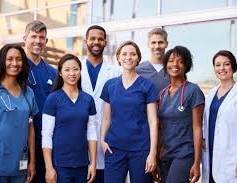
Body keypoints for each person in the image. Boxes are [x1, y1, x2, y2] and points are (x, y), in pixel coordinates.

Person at [100, 41, 158, 183]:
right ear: (118, 58)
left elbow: (153, 121)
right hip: (114, 148)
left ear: (138, 58)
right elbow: (106, 118)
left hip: (140, 150)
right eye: (124, 54)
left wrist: (152, 153)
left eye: (133, 54)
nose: (128, 57)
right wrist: (102, 140)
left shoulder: (147, 86)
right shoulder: (110, 85)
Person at [42, 54, 97, 183]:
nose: (72, 73)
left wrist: (93, 163)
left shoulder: (88, 99)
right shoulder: (53, 99)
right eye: (67, 70)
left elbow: (92, 133)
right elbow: (46, 135)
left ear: (80, 71)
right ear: (60, 73)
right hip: (60, 165)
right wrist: (49, 167)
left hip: (82, 164)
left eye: (75, 69)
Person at [158, 46, 204, 183]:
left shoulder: (193, 91)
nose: (175, 65)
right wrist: (156, 156)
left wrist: (197, 162)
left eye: (180, 61)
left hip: (184, 153)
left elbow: (197, 128)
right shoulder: (162, 94)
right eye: (171, 60)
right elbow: (160, 128)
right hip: (165, 155)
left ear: (186, 66)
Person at [81, 25, 120, 183]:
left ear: (105, 42)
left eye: (100, 39)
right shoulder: (74, 69)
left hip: (108, 139)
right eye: (92, 38)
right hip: (79, 139)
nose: (96, 42)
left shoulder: (116, 72)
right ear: (86, 41)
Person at [23, 20, 57, 182]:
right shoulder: (16, 68)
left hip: (48, 141)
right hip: (22, 139)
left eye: (41, 37)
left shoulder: (53, 72)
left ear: (46, 41)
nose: (38, 41)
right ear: (25, 38)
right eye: (33, 36)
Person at [0, 44, 38, 182]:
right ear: (2, 61)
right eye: (10, 59)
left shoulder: (28, 93)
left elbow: (30, 128)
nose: (14, 63)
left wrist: (32, 161)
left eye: (19, 59)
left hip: (20, 163)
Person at [202, 50, 237, 183]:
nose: (221, 68)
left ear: (233, 67)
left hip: (231, 156)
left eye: (226, 64)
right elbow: (205, 120)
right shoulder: (211, 93)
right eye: (217, 65)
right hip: (210, 153)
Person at [136, 27, 169, 95]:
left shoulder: (173, 69)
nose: (157, 46)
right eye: (153, 43)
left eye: (160, 42)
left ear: (166, 44)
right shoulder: (138, 71)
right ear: (148, 44)